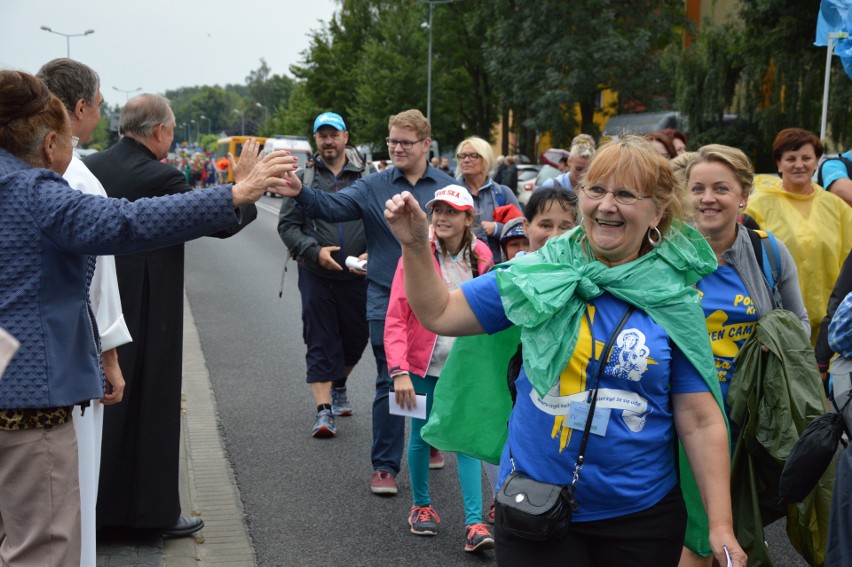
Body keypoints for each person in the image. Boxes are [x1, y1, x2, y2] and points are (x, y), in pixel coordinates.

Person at [382, 136, 746, 566]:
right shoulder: (538, 273)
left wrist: (721, 525)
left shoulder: (674, 297)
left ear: (658, 211)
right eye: (596, 190)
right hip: (533, 505)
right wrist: (413, 246)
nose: (607, 205)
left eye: (626, 194)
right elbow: (440, 312)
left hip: (641, 519)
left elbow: (701, 421)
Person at [0, 69, 294, 567]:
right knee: (43, 547)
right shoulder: (34, 191)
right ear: (50, 143)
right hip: (30, 398)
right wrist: (234, 195)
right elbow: (128, 222)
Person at [85, 93, 258, 536]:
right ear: (159, 131)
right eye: (173, 128)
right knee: (153, 406)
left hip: (97, 305)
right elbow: (220, 223)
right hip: (149, 304)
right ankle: (152, 515)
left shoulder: (93, 167)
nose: (174, 135)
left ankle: (95, 513)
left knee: (101, 410)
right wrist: (243, 189)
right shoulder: (161, 176)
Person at [275, 109, 456, 495]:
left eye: (406, 142)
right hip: (386, 299)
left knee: (431, 377)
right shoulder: (373, 185)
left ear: (426, 144)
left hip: (437, 302)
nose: (397, 149)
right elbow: (333, 207)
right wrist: (301, 193)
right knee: (391, 379)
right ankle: (386, 466)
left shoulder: (445, 187)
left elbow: (462, 239)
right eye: (392, 142)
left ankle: (426, 438)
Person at [682, 144, 809, 566]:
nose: (707, 198)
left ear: (744, 195)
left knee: (733, 529)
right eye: (697, 188)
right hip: (679, 422)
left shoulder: (767, 252)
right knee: (690, 534)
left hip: (748, 423)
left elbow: (798, 326)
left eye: (721, 188)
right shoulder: (665, 254)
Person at [36, 57, 133, 567]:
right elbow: (98, 283)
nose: (98, 117)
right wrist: (110, 359)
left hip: (14, 358)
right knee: (74, 489)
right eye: (98, 106)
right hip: (69, 359)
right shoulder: (77, 180)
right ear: (78, 109)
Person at [385, 186, 495, 553]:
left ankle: (475, 523)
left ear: (469, 218)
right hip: (416, 367)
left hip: (463, 367)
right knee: (420, 435)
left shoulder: (482, 255)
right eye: (438, 210)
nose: (443, 217)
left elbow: (491, 311)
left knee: (467, 441)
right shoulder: (415, 253)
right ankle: (421, 506)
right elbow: (397, 314)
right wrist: (398, 370)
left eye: (453, 211)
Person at [278, 112, 371, 438]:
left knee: (356, 339)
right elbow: (287, 226)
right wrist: (313, 251)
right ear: (315, 140)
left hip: (358, 276)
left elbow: (382, 222)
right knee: (320, 337)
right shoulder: (304, 177)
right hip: (316, 273)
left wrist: (371, 253)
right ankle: (323, 410)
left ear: (346, 136)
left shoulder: (367, 176)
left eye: (334, 134)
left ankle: (339, 383)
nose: (328, 141)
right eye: (322, 135)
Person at [745, 128, 852, 343]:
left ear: (816, 163)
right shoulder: (757, 205)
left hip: (829, 321)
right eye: (790, 158)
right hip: (777, 318)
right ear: (778, 164)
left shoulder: (837, 207)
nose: (799, 164)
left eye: (806, 158)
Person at [455, 136, 521, 260]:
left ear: (485, 159)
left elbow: (521, 229)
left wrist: (496, 228)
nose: (466, 160)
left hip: (496, 269)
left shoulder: (502, 193)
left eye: (473, 155)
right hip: (460, 267)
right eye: (462, 156)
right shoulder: (451, 193)